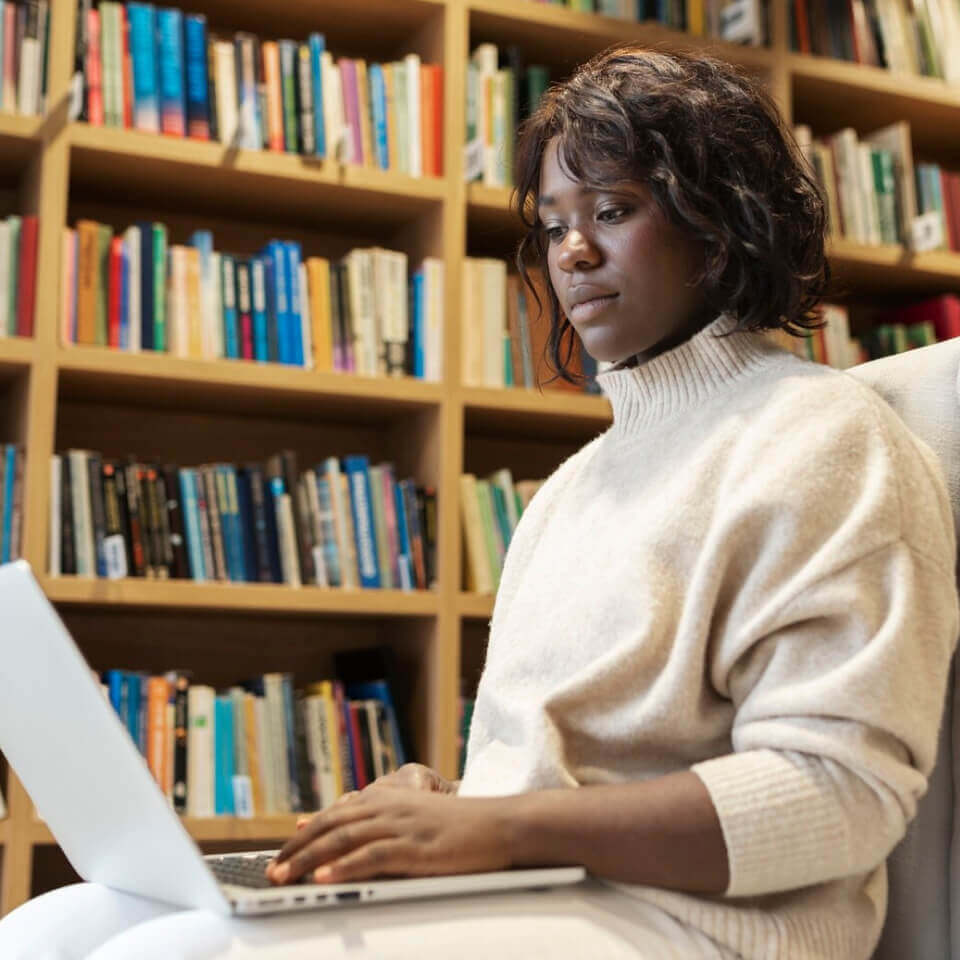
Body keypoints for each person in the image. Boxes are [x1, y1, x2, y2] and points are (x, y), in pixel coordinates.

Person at [269, 48, 959, 958]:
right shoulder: (569, 489)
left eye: (612, 210)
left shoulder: (825, 437)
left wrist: (506, 831)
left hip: (690, 934)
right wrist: (456, 808)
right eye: (553, 225)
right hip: (544, 906)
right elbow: (579, 774)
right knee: (89, 925)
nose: (573, 251)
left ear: (719, 228)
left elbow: (837, 794)